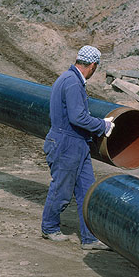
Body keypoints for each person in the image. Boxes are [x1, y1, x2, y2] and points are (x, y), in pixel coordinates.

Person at [41, 45, 115, 250]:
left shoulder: (67, 78)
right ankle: (49, 227)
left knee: (87, 191)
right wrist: (103, 125)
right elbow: (77, 117)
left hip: (76, 143)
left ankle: (90, 238)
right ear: (93, 65)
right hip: (67, 144)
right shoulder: (73, 82)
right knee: (62, 189)